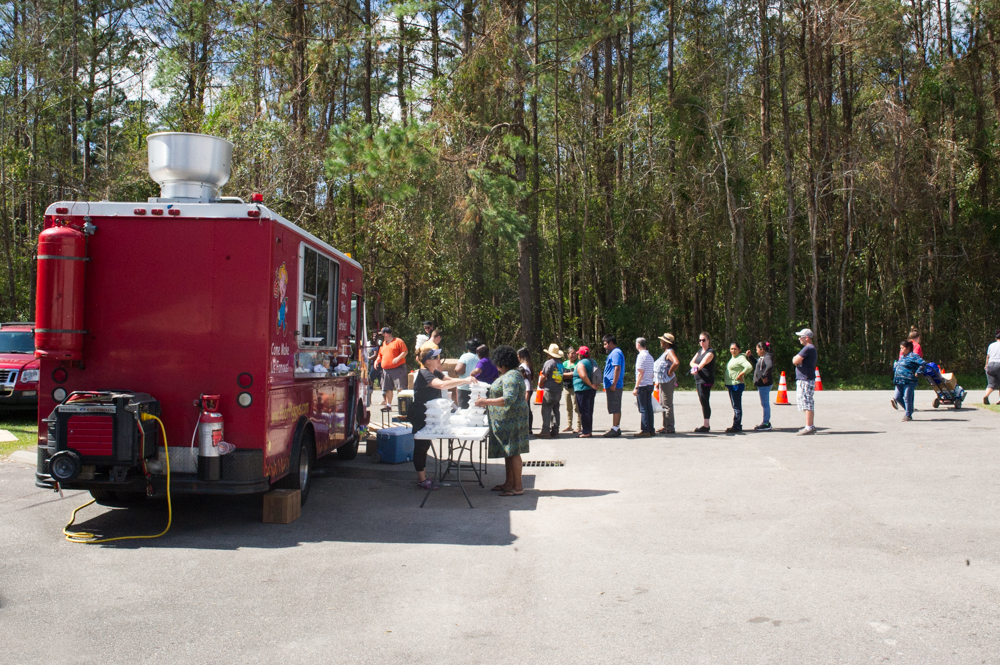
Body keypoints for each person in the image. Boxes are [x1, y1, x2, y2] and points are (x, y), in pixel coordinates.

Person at [411, 348, 478, 489]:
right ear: (427, 361)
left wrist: (465, 381)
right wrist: (465, 380)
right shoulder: (424, 374)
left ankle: (423, 476)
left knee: (426, 445)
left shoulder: (434, 372)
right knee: (421, 446)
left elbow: (449, 380)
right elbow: (441, 385)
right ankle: (422, 479)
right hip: (419, 414)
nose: (438, 359)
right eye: (435, 357)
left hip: (430, 416)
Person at [475, 345, 530, 496]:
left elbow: (508, 399)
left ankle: (517, 487)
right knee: (509, 452)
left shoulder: (511, 376)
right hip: (508, 420)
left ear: (503, 362)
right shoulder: (511, 374)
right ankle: (509, 483)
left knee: (514, 452)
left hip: (513, 420)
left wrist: (486, 402)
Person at [374, 326, 408, 411]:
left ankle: (402, 406)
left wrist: (398, 358)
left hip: (398, 368)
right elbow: (380, 355)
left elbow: (405, 351)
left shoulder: (398, 341)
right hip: (386, 370)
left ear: (386, 334)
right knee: (388, 388)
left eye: (382, 334)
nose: (382, 336)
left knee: (400, 387)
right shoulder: (384, 344)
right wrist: (376, 361)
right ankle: (388, 405)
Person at [891, 339, 926, 421]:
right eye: (900, 348)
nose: (901, 350)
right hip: (899, 380)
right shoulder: (902, 357)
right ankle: (909, 409)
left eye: (902, 348)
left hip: (909, 380)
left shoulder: (913, 356)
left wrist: (918, 372)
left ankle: (908, 414)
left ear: (908, 348)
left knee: (907, 397)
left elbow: (923, 363)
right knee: (897, 397)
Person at [791, 328, 817, 435]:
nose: (799, 339)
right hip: (804, 379)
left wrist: (796, 360)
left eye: (801, 337)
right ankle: (809, 425)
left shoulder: (808, 348)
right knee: (805, 402)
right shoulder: (808, 348)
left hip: (805, 379)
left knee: (807, 403)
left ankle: (809, 427)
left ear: (807, 338)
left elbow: (795, 360)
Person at [724, 342, 753, 433]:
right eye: (731, 349)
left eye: (735, 349)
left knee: (736, 406)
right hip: (731, 385)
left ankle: (736, 426)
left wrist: (741, 374)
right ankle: (736, 424)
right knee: (735, 405)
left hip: (736, 385)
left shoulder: (740, 358)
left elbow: (749, 367)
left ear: (739, 350)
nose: (733, 350)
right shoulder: (734, 358)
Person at [689, 332, 716, 433]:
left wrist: (696, 368)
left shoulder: (710, 352)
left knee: (704, 401)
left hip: (705, 380)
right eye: (700, 340)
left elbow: (703, 363)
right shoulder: (700, 351)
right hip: (698, 380)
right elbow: (691, 362)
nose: (701, 342)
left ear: (708, 341)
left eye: (703, 340)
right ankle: (706, 423)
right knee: (702, 400)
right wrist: (695, 366)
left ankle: (706, 425)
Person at [654, 333, 680, 434]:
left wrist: (670, 372)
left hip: (667, 381)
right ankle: (665, 425)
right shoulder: (666, 352)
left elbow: (676, 362)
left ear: (667, 343)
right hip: (662, 381)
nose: (661, 342)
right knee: (662, 404)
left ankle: (670, 427)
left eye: (662, 341)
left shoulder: (670, 352)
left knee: (667, 404)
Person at [538, 343, 565, 438]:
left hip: (549, 390)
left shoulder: (549, 363)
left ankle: (545, 430)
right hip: (558, 390)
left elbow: (544, 375)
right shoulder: (560, 364)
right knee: (555, 409)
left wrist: (540, 383)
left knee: (546, 409)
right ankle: (555, 429)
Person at [602, 334, 625, 437]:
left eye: (605, 344)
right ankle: (615, 427)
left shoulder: (616, 353)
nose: (604, 346)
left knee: (616, 406)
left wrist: (614, 383)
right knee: (614, 406)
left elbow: (617, 368)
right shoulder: (614, 353)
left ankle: (615, 428)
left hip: (614, 384)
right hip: (612, 384)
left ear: (611, 343)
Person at [631, 338, 656, 437]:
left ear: (638, 345)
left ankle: (645, 430)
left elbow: (640, 373)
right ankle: (651, 429)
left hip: (642, 385)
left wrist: (636, 387)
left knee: (643, 408)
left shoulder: (641, 356)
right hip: (649, 384)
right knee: (649, 407)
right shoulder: (650, 356)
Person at [573, 345, 599, 437]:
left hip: (583, 389)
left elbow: (583, 375)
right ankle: (588, 429)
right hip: (591, 390)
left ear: (581, 355)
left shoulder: (581, 363)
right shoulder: (593, 361)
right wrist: (594, 384)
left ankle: (586, 431)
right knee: (589, 410)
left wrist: (590, 384)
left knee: (584, 411)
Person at [751, 342, 775, 430]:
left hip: (764, 384)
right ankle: (766, 421)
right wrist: (750, 357)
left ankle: (766, 423)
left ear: (762, 349)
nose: (756, 351)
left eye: (757, 349)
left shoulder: (767, 356)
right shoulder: (762, 357)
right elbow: (757, 363)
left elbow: (770, 365)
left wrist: (764, 376)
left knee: (765, 404)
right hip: (761, 384)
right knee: (764, 403)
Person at [455, 338, 481, 408]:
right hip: (476, 389)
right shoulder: (480, 358)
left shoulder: (465, 356)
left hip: (463, 388)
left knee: (463, 412)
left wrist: (456, 371)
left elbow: (459, 370)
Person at [561, 347, 580, 433]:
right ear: (568, 355)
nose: (573, 355)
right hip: (566, 388)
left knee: (576, 407)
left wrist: (564, 374)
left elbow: (575, 373)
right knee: (568, 408)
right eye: (571, 353)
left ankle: (578, 426)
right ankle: (569, 425)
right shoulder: (564, 363)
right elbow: (559, 374)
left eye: (574, 353)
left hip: (574, 388)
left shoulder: (578, 363)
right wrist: (568, 374)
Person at [517, 347, 535, 433]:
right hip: (529, 389)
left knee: (525, 408)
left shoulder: (523, 366)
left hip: (526, 390)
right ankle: (529, 427)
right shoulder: (528, 365)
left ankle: (527, 427)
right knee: (528, 408)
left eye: (518, 356)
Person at [984, 330, 1000, 404]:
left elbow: (988, 356)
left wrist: (986, 365)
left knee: (991, 383)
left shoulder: (991, 345)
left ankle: (986, 396)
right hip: (999, 364)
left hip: (990, 365)